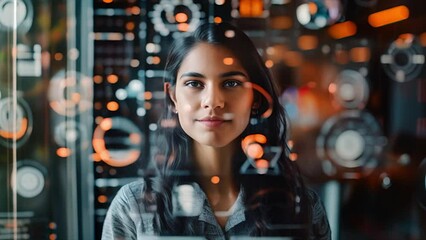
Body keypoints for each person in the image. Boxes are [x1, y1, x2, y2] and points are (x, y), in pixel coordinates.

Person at [102, 21, 331, 239]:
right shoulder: (133, 207)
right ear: (173, 97)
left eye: (231, 83)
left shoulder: (302, 207)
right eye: (195, 84)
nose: (213, 101)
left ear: (256, 98)